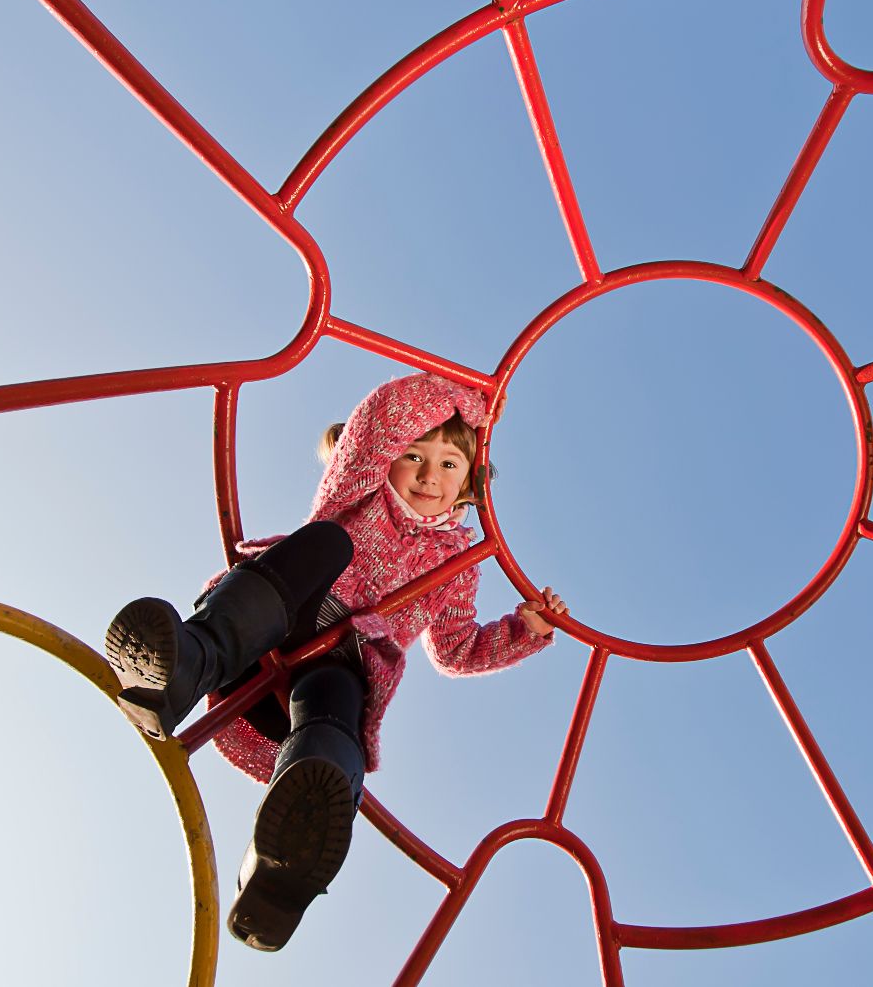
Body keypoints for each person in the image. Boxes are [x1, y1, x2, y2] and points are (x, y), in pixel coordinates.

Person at [103, 372, 566, 951]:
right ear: (385, 453)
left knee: (346, 692)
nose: (429, 475)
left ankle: (287, 857)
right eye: (414, 454)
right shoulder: (356, 492)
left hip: (316, 689)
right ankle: (178, 674)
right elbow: (382, 416)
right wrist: (465, 399)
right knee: (327, 542)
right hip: (267, 628)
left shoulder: (457, 562)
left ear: (471, 483)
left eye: (451, 464)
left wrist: (525, 630)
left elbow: (454, 649)